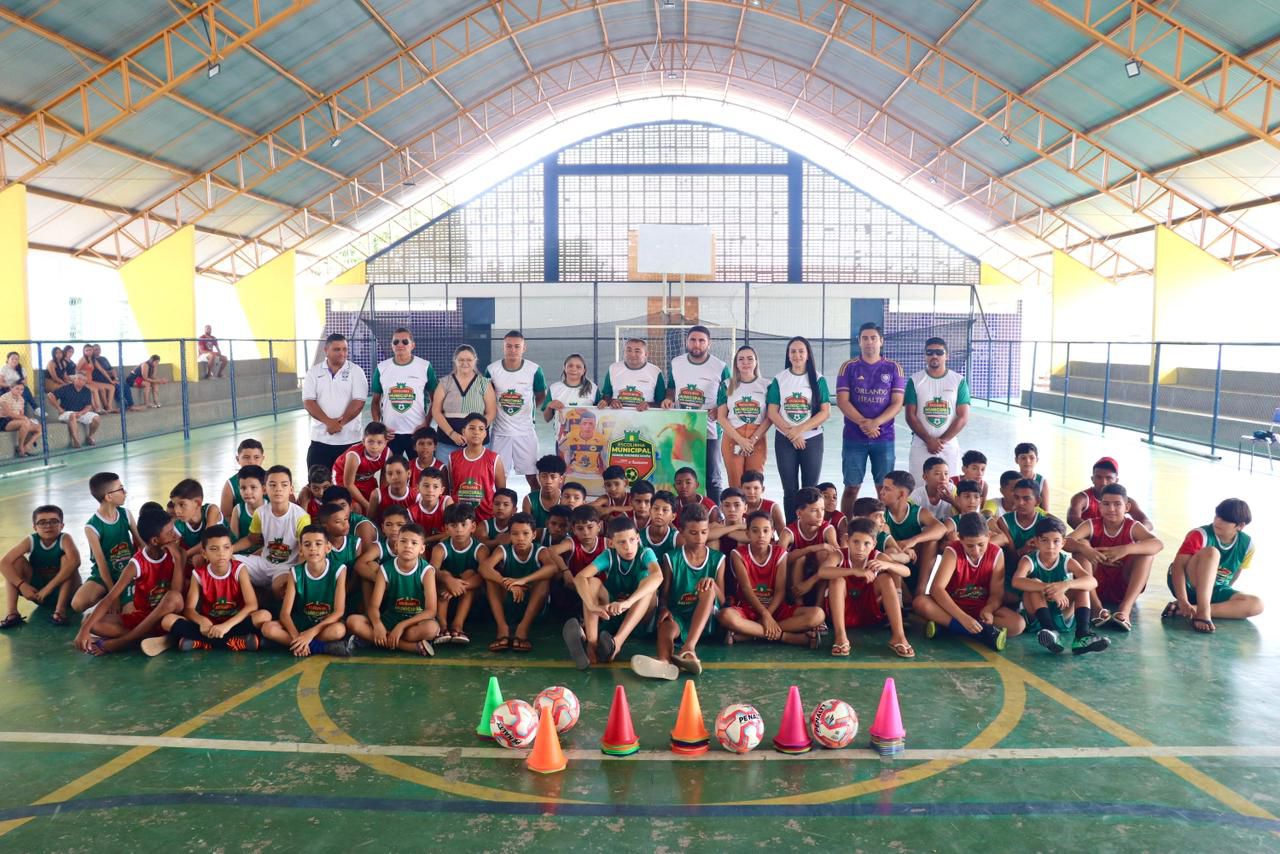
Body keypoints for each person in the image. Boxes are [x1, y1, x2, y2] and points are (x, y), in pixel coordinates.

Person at [75, 502, 185, 655]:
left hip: (170, 616)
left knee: (173, 597)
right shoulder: (136, 563)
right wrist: (84, 631)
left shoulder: (176, 553)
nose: (175, 535)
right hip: (144, 617)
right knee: (88, 621)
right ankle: (155, 638)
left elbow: (177, 595)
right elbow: (110, 598)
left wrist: (179, 560)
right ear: (154, 541)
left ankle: (124, 642)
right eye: (170, 532)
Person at [630, 504, 724, 680]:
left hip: (705, 620)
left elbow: (723, 600)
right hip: (679, 616)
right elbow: (664, 595)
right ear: (682, 532)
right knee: (666, 626)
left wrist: (713, 584)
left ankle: (689, 649)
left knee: (709, 589)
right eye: (693, 533)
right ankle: (664, 662)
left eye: (704, 532)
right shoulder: (671, 558)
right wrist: (664, 608)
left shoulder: (718, 559)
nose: (699, 537)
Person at [564, 515, 664, 669]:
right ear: (611, 543)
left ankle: (616, 644)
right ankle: (592, 642)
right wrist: (591, 606)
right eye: (621, 542)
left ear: (638, 538)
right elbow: (580, 577)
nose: (628, 547)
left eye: (631, 540)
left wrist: (627, 603)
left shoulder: (645, 553)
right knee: (591, 581)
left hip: (639, 618)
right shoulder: (609, 555)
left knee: (648, 585)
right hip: (612, 612)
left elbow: (658, 576)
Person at [151, 525, 270, 652]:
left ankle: (203, 642)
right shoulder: (198, 574)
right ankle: (232, 642)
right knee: (167, 620)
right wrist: (201, 621)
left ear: (231, 550)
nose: (221, 553)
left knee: (264, 616)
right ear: (204, 553)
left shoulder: (240, 569)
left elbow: (252, 605)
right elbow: (189, 609)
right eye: (214, 549)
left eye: (226, 547)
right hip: (209, 625)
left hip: (234, 624)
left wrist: (226, 626)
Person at [914, 512, 1023, 650]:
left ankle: (947, 628)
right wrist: (963, 618)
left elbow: (996, 593)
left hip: (980, 609)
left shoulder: (996, 554)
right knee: (920, 603)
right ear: (960, 538)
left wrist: (989, 609)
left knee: (1018, 624)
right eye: (970, 546)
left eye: (981, 545)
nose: (976, 551)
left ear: (989, 536)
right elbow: (937, 589)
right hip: (952, 607)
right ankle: (982, 633)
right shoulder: (952, 551)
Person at [1065, 484, 1162, 632]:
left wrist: (1125, 549)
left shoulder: (1132, 526)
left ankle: (1125, 610)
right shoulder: (1091, 525)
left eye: (1117, 504)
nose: (1111, 509)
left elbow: (1157, 544)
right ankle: (1096, 608)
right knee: (1081, 545)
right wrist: (1086, 549)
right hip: (1094, 584)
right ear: (1100, 506)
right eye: (1106, 504)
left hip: (1124, 583)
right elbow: (1065, 542)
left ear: (1127, 507)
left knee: (1146, 553)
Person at [719, 510, 824, 646]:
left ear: (772, 532)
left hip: (776, 608)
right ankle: (784, 636)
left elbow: (780, 590)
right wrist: (765, 616)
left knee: (818, 615)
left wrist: (768, 615)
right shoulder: (738, 554)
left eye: (766, 530)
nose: (761, 535)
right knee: (725, 616)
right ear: (747, 533)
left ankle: (749, 634)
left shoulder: (780, 553)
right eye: (755, 531)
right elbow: (746, 589)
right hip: (749, 608)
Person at [1011, 515, 1109, 656]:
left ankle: (1082, 635)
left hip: (1062, 611)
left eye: (1056, 541)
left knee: (1082, 587)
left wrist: (1065, 585)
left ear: (1063, 543)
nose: (1051, 546)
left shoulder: (1066, 561)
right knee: (1033, 585)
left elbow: (1092, 581)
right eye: (1045, 541)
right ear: (1036, 541)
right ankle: (1050, 631)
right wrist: (1049, 588)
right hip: (1037, 617)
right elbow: (1017, 581)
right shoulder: (1028, 560)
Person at [835, 323, 906, 517]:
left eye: (873, 338)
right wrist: (864, 424)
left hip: (883, 438)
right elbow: (842, 401)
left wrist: (876, 423)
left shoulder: (894, 368)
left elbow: (897, 403)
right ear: (859, 341)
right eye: (865, 338)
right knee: (851, 488)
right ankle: (847, 529)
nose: (869, 342)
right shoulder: (848, 367)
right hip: (853, 438)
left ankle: (883, 530)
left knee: (884, 489)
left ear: (881, 341)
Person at [1164, 498, 1261, 634]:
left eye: (1225, 520)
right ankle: (1202, 613)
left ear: (1240, 525)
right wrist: (1183, 600)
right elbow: (1177, 567)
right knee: (1212, 552)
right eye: (1217, 516)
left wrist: (1221, 593)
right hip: (1188, 584)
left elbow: (1235, 573)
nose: (1218, 521)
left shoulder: (1247, 545)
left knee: (1257, 605)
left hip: (1215, 589)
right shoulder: (1200, 535)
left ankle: (1192, 608)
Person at [822, 517, 913, 658]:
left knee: (886, 578)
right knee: (837, 581)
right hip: (843, 613)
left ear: (874, 544)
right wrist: (853, 571)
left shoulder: (877, 557)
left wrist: (889, 565)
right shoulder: (839, 555)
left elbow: (907, 572)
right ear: (847, 540)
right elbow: (823, 572)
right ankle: (840, 636)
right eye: (855, 542)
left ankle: (898, 636)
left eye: (866, 543)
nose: (860, 548)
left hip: (870, 612)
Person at [347, 523, 439, 656]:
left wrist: (401, 626)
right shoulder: (385, 569)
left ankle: (376, 640)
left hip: (414, 622)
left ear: (422, 549)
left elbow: (431, 611)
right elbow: (373, 606)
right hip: (390, 619)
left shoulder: (427, 571)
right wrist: (378, 625)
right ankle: (410, 647)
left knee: (432, 629)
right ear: (396, 546)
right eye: (403, 541)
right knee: (353, 622)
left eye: (414, 543)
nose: (408, 546)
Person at [766, 336, 831, 522]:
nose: (797, 355)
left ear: (808, 354)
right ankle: (792, 529)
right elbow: (772, 411)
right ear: (788, 354)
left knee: (810, 488)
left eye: (801, 351)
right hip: (785, 440)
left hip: (812, 439)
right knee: (790, 489)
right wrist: (791, 434)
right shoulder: (780, 379)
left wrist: (799, 430)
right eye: (793, 351)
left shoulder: (818, 379)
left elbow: (825, 412)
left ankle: (810, 528)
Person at [261, 525, 352, 657]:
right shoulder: (295, 572)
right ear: (301, 550)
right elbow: (285, 614)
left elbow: (338, 612)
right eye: (307, 544)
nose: (313, 548)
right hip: (301, 621)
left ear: (328, 547)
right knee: (268, 628)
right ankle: (321, 647)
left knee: (338, 630)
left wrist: (311, 633)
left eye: (318, 544)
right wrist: (297, 637)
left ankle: (292, 644)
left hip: (324, 623)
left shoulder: (339, 570)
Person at [664, 326, 729, 501]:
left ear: (709, 343)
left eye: (701, 340)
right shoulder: (676, 363)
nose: (696, 344)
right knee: (680, 473)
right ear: (687, 342)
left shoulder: (720, 366)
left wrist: (719, 409)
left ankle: (716, 515)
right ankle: (679, 513)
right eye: (693, 340)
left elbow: (730, 394)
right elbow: (671, 387)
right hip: (682, 427)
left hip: (710, 428)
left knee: (712, 476)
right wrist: (669, 398)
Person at [479, 512, 557, 653]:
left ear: (534, 535)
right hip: (508, 602)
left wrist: (522, 581)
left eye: (525, 533)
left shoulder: (540, 550)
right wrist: (507, 584)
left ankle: (522, 630)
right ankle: (502, 628)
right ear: (509, 536)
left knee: (543, 580)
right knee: (491, 580)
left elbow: (552, 568)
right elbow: (484, 568)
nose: (520, 538)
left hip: (533, 606)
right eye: (515, 534)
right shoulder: (503, 550)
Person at [232, 465, 310, 602]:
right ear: (265, 489)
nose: (278, 489)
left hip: (287, 566)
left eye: (284, 485)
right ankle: (252, 600)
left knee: (279, 587)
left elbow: (304, 550)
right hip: (263, 563)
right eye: (272, 485)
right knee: (226, 561)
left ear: (291, 489)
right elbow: (251, 539)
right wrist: (228, 550)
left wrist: (298, 575)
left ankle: (275, 612)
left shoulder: (301, 517)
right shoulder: (260, 513)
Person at [485, 330, 547, 492]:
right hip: (500, 432)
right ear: (503, 347)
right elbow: (488, 398)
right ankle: (501, 513)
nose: (513, 350)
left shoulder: (534, 369)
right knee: (498, 478)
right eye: (509, 346)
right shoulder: (492, 370)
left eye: (517, 346)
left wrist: (528, 410)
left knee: (532, 477)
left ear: (524, 348)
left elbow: (540, 395)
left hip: (525, 432)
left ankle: (535, 511)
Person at [0, 505, 80, 629]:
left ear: (62, 525)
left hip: (65, 593)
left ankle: (60, 611)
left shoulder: (65, 538)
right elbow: (4, 563)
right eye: (42, 522)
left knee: (68, 560)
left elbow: (75, 562)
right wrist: (22, 585)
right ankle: (12, 613)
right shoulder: (31, 540)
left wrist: (48, 588)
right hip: (38, 594)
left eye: (54, 521)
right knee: (15, 562)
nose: (48, 526)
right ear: (34, 527)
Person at [71, 472, 140, 613]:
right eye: (120, 489)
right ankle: (108, 597)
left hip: (127, 572)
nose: (124, 492)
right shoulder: (92, 527)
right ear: (108, 496)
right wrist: (111, 597)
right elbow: (102, 565)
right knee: (77, 604)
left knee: (130, 612)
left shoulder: (125, 514)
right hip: (105, 574)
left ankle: (119, 598)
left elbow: (141, 543)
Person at [904, 337, 970, 478]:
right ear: (925, 356)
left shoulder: (959, 381)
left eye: (939, 352)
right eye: (930, 352)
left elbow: (963, 417)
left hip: (948, 444)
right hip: (921, 444)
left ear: (947, 356)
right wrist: (929, 440)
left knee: (949, 488)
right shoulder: (914, 380)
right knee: (918, 486)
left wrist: (942, 441)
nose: (934, 356)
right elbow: (910, 415)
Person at [302, 334, 369, 472]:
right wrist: (329, 422)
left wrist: (340, 424)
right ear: (326, 350)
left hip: (350, 440)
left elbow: (359, 402)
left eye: (345, 349)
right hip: (320, 440)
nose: (342, 353)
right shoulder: (314, 372)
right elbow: (309, 402)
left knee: (348, 485)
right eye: (337, 349)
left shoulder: (356, 371)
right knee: (318, 484)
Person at [370, 327, 438, 458]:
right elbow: (375, 402)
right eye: (396, 342)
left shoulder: (424, 366)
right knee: (389, 473)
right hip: (390, 434)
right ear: (391, 345)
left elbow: (435, 400)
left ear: (413, 345)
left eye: (405, 342)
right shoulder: (382, 368)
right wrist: (380, 427)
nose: (400, 345)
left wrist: (426, 424)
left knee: (419, 472)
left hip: (416, 432)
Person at [878, 471, 947, 597]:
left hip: (915, 563)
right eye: (883, 487)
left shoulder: (918, 512)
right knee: (890, 548)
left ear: (902, 494)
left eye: (887, 489)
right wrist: (901, 548)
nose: (881, 492)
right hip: (891, 565)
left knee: (931, 540)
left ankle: (920, 591)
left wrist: (912, 541)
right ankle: (904, 596)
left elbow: (941, 528)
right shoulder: (881, 513)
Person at [716, 345, 772, 489]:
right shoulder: (726, 385)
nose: (745, 362)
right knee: (735, 485)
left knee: (754, 484)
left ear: (756, 362)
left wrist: (752, 440)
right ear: (736, 364)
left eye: (749, 359)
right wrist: (740, 440)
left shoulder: (767, 385)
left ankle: (753, 512)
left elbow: (770, 417)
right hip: (733, 437)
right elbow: (721, 417)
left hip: (757, 438)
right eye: (741, 359)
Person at [430, 503, 486, 644]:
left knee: (470, 573)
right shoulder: (440, 548)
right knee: (444, 576)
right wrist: (448, 580)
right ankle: (442, 625)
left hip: (470, 596)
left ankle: (457, 625)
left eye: (463, 525)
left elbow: (483, 575)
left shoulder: (480, 549)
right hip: (444, 594)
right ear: (446, 528)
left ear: (473, 527)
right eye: (454, 526)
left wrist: (460, 586)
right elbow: (432, 571)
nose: (459, 530)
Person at [429, 344, 496, 462]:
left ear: (475, 360)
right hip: (447, 442)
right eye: (461, 360)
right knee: (446, 476)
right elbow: (436, 411)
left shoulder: (484, 383)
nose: (465, 363)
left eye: (469, 360)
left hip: (477, 443)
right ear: (455, 360)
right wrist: (452, 434)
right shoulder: (445, 382)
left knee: (476, 478)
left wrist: (476, 433)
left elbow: (491, 412)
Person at [781, 486, 841, 608]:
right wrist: (810, 548)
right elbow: (778, 560)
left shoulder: (828, 529)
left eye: (822, 509)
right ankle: (799, 605)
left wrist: (812, 580)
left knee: (824, 554)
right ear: (799, 513)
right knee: (800, 557)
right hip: (793, 584)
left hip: (818, 580)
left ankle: (819, 605)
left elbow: (839, 557)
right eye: (814, 510)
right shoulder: (788, 532)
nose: (820, 515)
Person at [448, 413, 505, 522]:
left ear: (485, 433)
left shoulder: (494, 458)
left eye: (481, 429)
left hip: (486, 518)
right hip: (460, 519)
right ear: (464, 432)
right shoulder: (453, 458)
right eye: (472, 428)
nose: (476, 432)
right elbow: (451, 489)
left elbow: (501, 492)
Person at [1066, 457, 1151, 530]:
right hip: (1090, 540)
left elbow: (1147, 523)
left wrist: (1131, 533)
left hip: (1116, 542)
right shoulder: (1082, 498)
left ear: (1116, 480)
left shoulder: (1127, 501)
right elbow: (1072, 518)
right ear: (1092, 479)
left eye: (1109, 478)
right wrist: (1095, 533)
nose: (1103, 482)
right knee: (1083, 543)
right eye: (1099, 477)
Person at [331, 422, 391, 516]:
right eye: (370, 441)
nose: (375, 446)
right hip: (343, 478)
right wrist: (367, 505)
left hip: (365, 478)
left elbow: (384, 480)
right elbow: (348, 484)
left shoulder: (387, 454)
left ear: (385, 443)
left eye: (379, 442)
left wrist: (381, 499)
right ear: (363, 441)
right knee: (356, 508)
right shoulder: (354, 455)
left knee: (376, 501)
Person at [598, 338, 666, 410]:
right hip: (617, 417)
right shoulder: (613, 368)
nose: (632, 354)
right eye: (629, 350)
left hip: (645, 418)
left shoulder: (655, 371)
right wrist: (611, 402)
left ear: (646, 354)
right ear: (624, 352)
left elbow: (661, 402)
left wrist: (648, 405)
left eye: (637, 351)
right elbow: (606, 396)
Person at [218, 439, 266, 524]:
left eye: (256, 457)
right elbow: (225, 516)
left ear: (262, 458)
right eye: (246, 457)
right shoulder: (230, 485)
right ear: (237, 459)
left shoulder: (272, 479)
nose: (251, 461)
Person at [47, 372, 100, 448]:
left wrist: (81, 413)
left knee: (97, 418)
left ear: (85, 382)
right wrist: (58, 408)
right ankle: (76, 440)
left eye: (83, 380)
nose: (80, 381)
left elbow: (88, 406)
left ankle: (90, 436)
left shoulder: (87, 390)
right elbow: (50, 395)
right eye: (78, 378)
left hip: (80, 412)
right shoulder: (66, 388)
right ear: (74, 379)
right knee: (72, 415)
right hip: (66, 413)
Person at [543, 353, 595, 430]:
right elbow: (547, 419)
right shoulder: (554, 388)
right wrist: (549, 406)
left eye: (578, 367)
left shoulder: (593, 388)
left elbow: (600, 412)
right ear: (564, 368)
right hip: (562, 439)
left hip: (588, 438)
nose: (574, 369)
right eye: (570, 366)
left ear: (584, 370)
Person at [523, 454, 566, 530]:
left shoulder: (565, 499)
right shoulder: (529, 500)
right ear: (538, 477)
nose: (548, 481)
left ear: (561, 479)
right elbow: (526, 529)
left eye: (553, 477)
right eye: (544, 476)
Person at [0, 382, 41, 456]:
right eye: (17, 389)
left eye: (22, 389)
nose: (20, 391)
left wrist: (27, 419)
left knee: (39, 427)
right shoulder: (4, 398)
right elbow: (9, 414)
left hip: (15, 421)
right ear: (11, 388)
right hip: (4, 421)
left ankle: (26, 447)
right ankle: (20, 447)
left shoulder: (21, 399)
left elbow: (21, 414)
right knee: (25, 423)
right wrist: (25, 418)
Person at [1014, 442, 1050, 512]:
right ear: (1016, 460)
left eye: (1032, 458)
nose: (1027, 461)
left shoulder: (1042, 481)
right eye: (1023, 458)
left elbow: (1045, 510)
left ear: (1037, 460)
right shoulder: (1012, 480)